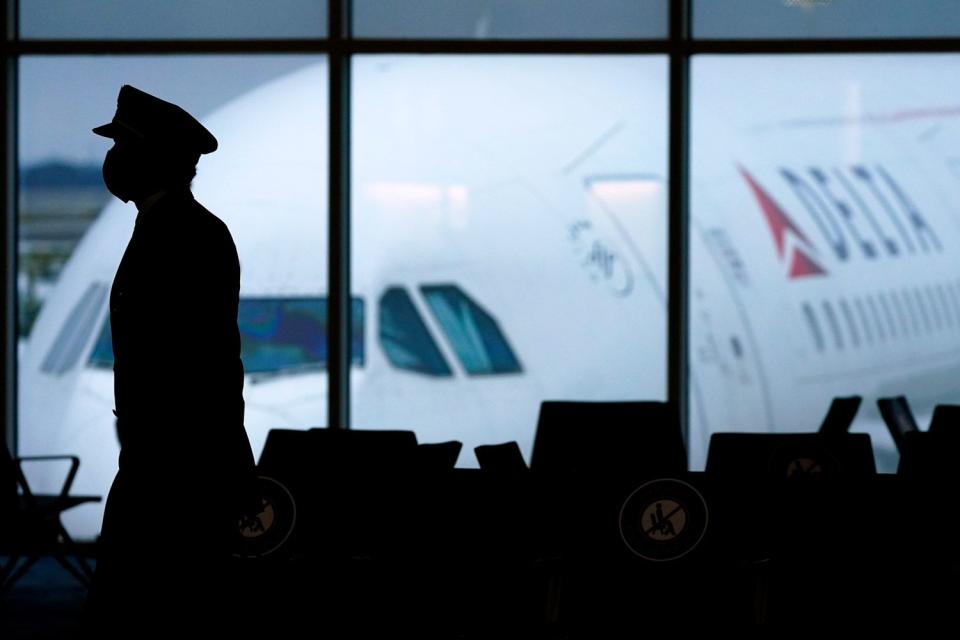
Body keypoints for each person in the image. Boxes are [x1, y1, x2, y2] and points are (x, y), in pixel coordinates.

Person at [84, 85, 259, 633]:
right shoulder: (169, 228)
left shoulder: (188, 236)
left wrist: (230, 463)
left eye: (124, 145)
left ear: (154, 156)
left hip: (176, 465)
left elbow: (210, 362)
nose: (114, 160)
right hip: (160, 458)